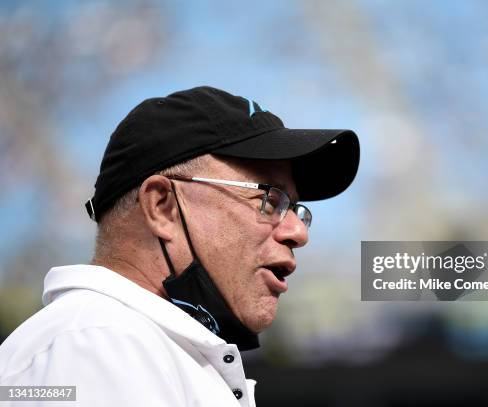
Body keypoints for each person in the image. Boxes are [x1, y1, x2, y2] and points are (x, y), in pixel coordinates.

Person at [0, 86, 360, 406]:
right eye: (269, 199)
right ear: (162, 207)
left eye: (296, 209)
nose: (298, 231)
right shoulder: (100, 345)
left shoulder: (140, 346)